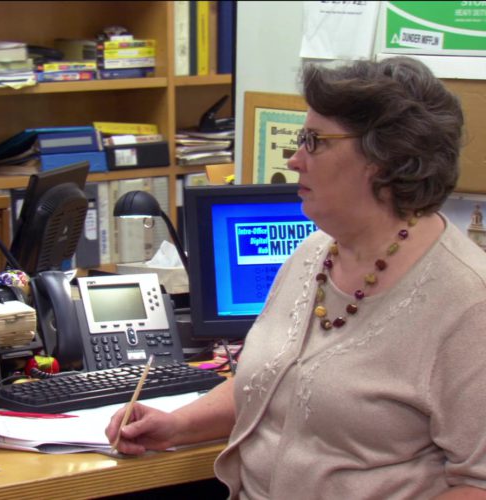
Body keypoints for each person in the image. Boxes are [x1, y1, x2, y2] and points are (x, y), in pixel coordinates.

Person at [106, 56, 486, 499]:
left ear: (383, 158)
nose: (295, 158)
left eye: (313, 141)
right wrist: (176, 425)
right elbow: (272, 381)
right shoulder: (313, 253)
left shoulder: (466, 302)